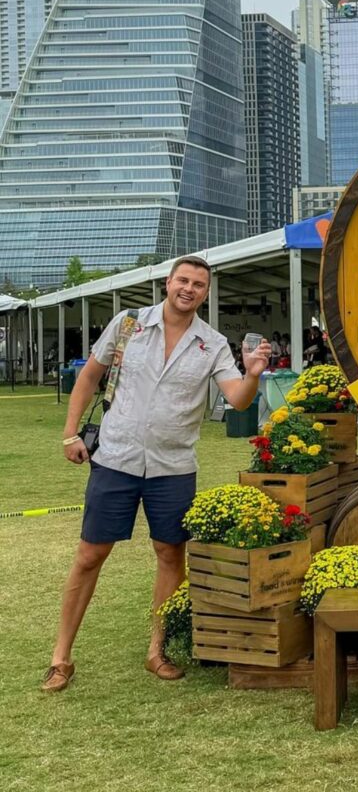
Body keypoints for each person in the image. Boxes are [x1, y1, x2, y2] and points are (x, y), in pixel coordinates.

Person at [42, 256, 271, 692]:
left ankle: (158, 650)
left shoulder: (213, 343)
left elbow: (238, 401)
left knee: (170, 554)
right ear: (168, 283)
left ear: (206, 293)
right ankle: (60, 657)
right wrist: (70, 434)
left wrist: (253, 375)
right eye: (183, 280)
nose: (189, 288)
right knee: (90, 556)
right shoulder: (128, 324)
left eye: (199, 284)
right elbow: (90, 375)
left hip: (173, 466)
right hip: (115, 458)